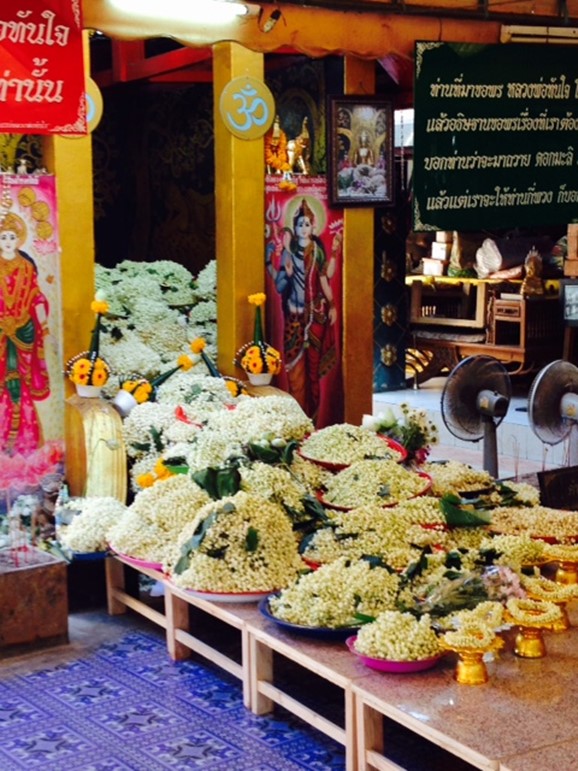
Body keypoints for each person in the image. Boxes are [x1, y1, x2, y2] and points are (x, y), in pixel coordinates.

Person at [267, 198, 337, 422]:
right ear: (294, 227)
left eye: (307, 224)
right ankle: (298, 420)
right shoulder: (289, 252)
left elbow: (324, 278)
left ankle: (313, 421)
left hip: (315, 315)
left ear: (313, 225)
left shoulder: (317, 249)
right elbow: (279, 286)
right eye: (299, 224)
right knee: (296, 374)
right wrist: (283, 272)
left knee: (314, 373)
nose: (303, 228)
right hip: (294, 320)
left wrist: (333, 305)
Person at [0, 211, 50, 455]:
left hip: (22, 332)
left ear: (18, 238)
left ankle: (24, 439)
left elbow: (36, 296)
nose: (7, 241)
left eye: (11, 236)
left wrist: (42, 320)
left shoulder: (27, 266)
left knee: (19, 383)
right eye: (3, 237)